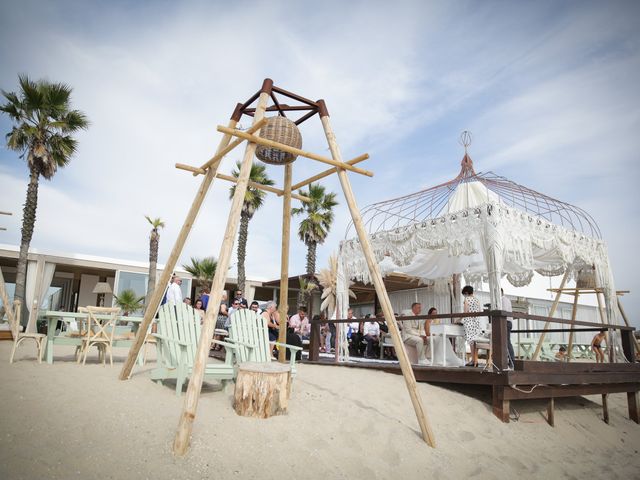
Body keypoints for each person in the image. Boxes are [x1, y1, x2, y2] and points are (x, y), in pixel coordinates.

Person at [460, 285, 485, 366]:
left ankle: (473, 361)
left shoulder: (467, 299)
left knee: (471, 342)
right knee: (475, 342)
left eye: (464, 294)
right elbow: (479, 310)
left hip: (469, 322)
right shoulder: (477, 300)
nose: (464, 295)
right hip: (476, 322)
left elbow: (466, 311)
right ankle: (475, 360)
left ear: (466, 292)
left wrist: (459, 319)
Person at [501, 288, 515, 368]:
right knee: (505, 342)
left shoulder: (504, 300)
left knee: (506, 341)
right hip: (505, 322)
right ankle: (508, 360)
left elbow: (504, 311)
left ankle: (511, 361)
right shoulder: (504, 300)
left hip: (506, 322)